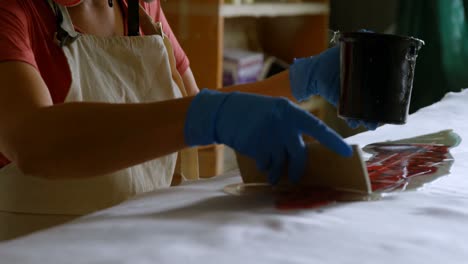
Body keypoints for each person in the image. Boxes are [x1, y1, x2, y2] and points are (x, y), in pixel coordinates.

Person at [0, 0, 374, 240]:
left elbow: (191, 111)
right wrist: (208, 115)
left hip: (137, 242)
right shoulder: (14, 12)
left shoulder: (139, 8)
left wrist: (298, 82)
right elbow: (34, 142)